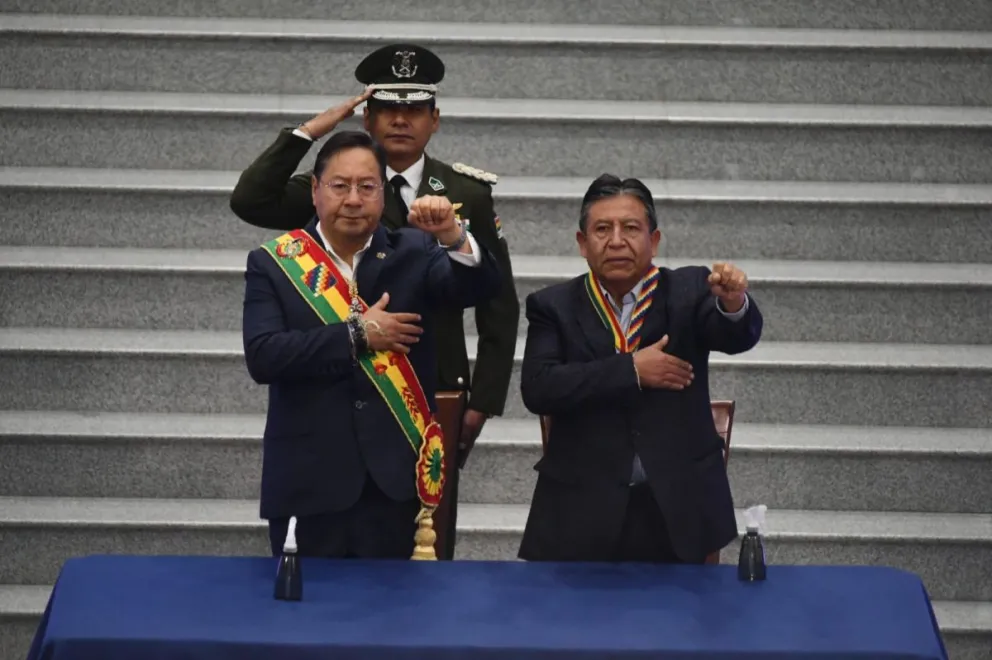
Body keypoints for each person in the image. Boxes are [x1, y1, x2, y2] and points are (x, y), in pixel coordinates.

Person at [229, 43, 520, 559]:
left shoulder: (459, 197)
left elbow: (492, 298)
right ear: (318, 192)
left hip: (414, 404)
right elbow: (250, 198)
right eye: (341, 187)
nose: (354, 199)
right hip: (319, 450)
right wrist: (309, 131)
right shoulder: (289, 246)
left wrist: (481, 400)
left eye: (367, 187)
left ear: (435, 119)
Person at [516, 174, 763, 564]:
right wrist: (630, 369)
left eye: (631, 228)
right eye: (602, 229)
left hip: (679, 507)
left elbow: (735, 337)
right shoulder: (553, 306)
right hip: (581, 510)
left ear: (654, 240)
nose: (616, 240)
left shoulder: (690, 289)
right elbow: (539, 388)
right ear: (582, 243)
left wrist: (733, 305)